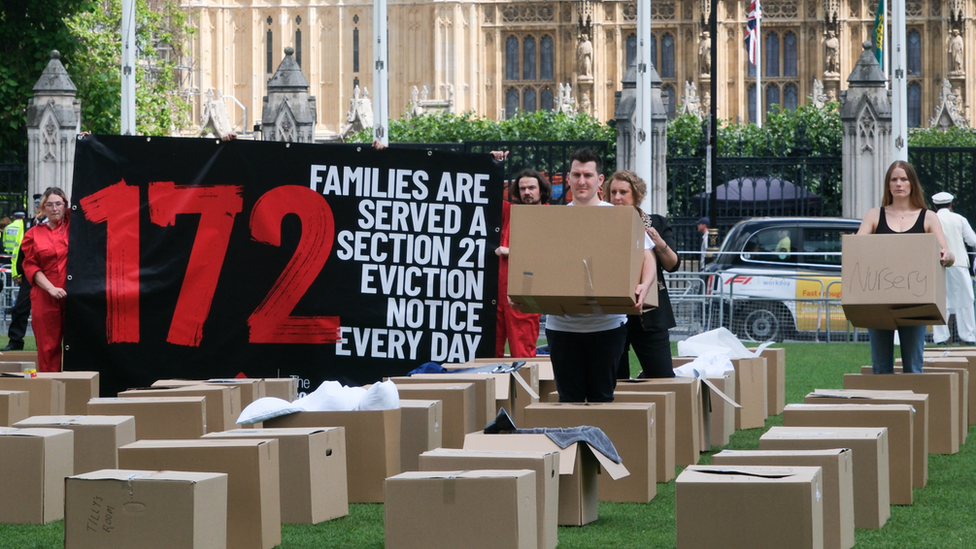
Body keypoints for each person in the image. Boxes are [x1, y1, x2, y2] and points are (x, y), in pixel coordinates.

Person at [546, 149, 656, 402]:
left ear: (599, 180)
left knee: (602, 399)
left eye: (587, 174)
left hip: (607, 326)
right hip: (561, 327)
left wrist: (645, 285)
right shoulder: (553, 219)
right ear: (568, 178)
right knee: (569, 400)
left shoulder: (621, 216)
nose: (581, 181)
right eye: (576, 174)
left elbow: (646, 257)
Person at [856, 161, 953, 374]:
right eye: (894, 179)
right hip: (878, 299)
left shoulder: (928, 217)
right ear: (888, 185)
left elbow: (947, 253)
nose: (899, 184)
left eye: (904, 179)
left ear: (912, 184)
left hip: (915, 301)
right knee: (881, 368)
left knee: (913, 368)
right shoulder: (874, 215)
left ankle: (912, 407)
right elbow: (857, 248)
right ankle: (886, 407)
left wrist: (946, 255)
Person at [604, 170, 679, 379]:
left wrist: (657, 242)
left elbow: (673, 265)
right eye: (613, 192)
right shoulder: (601, 224)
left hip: (650, 314)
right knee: (615, 379)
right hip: (612, 313)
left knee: (661, 376)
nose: (617, 197)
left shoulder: (657, 223)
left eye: (623, 192)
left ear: (636, 194)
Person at [495, 168, 551, 357]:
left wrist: (511, 252)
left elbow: (550, 254)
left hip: (526, 294)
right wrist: (495, 164)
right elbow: (487, 195)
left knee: (523, 353)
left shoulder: (551, 216)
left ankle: (525, 387)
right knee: (490, 354)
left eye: (531, 188)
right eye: (522, 188)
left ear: (541, 190)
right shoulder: (510, 212)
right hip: (498, 294)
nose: (526, 192)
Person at [20, 187, 70, 372]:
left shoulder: (73, 227)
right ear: (43, 207)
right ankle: (51, 392)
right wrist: (50, 288)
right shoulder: (33, 234)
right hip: (45, 295)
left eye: (58, 204)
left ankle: (79, 390)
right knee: (48, 348)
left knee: (79, 346)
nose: (54, 208)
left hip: (73, 295)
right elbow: (31, 266)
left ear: (65, 206)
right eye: (49, 204)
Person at [931, 191, 976, 344]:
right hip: (959, 264)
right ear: (950, 204)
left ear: (935, 206)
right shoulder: (959, 219)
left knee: (940, 301)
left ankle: (940, 338)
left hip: (938, 264)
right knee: (966, 300)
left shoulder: (932, 219)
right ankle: (968, 336)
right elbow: (972, 241)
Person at [2, 197, 43, 351]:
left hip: (50, 273)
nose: (40, 210)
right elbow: (18, 250)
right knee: (20, 307)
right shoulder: (26, 224)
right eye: (39, 206)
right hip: (30, 273)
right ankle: (15, 341)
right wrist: (17, 272)